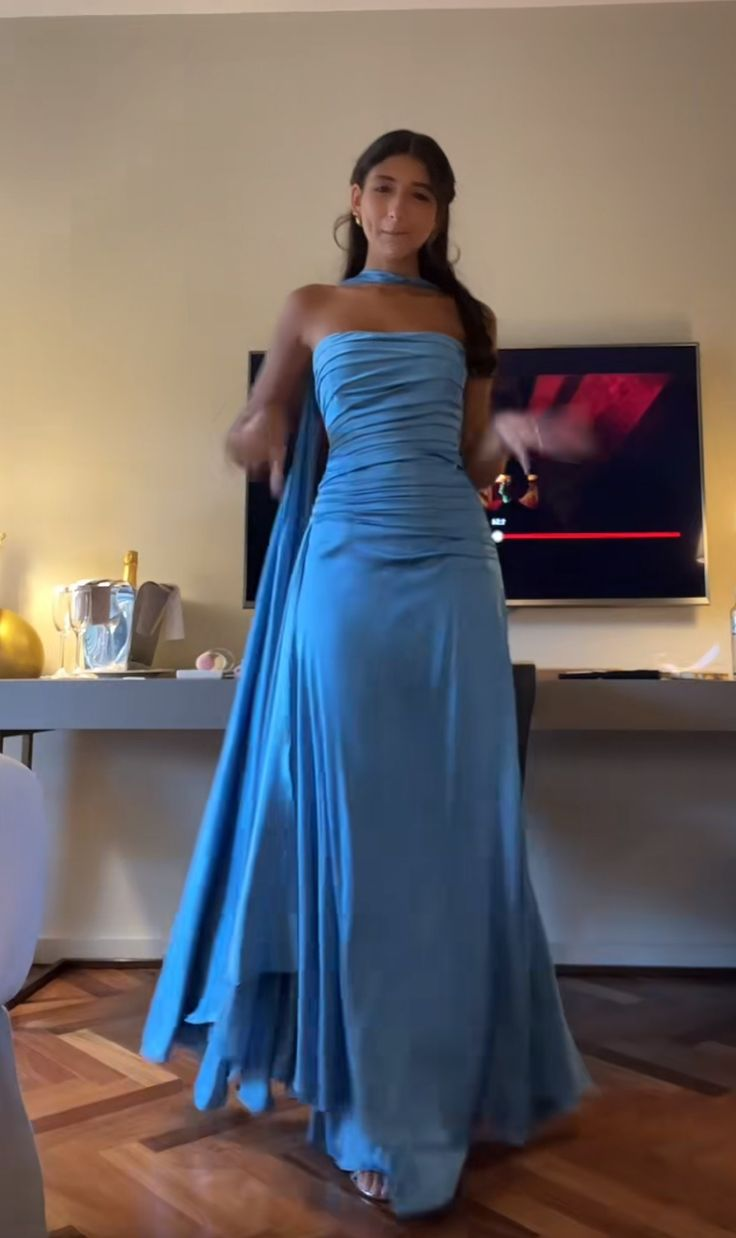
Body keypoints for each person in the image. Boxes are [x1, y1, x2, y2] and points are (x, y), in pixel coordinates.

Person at [141, 129, 590, 1219]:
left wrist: (518, 433)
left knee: (457, 827)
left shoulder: (466, 321)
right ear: (355, 198)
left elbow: (472, 460)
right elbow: (254, 427)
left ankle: (448, 1077)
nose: (399, 207)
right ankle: (370, 1104)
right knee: (360, 825)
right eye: (384, 188)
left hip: (453, 571)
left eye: (421, 194)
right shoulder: (311, 307)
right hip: (345, 566)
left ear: (440, 212)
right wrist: (259, 424)